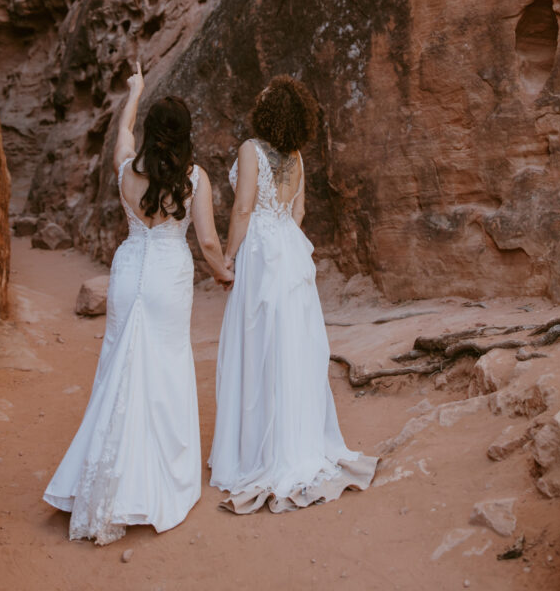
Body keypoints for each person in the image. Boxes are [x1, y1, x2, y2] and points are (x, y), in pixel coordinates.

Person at [43, 62, 233, 543]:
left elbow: (122, 133)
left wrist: (135, 90)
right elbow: (209, 243)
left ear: (152, 132)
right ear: (186, 134)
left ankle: (103, 478)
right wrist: (225, 273)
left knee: (119, 365)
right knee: (164, 367)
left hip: (128, 270)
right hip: (168, 275)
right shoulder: (195, 180)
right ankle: (155, 479)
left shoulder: (128, 169)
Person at [209, 75, 378, 513]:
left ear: (269, 111)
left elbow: (243, 208)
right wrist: (283, 243)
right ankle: (296, 439)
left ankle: (259, 452)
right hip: (288, 248)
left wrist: (228, 260)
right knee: (293, 347)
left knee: (257, 345)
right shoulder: (298, 158)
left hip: (261, 252)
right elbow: (298, 211)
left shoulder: (250, 149)